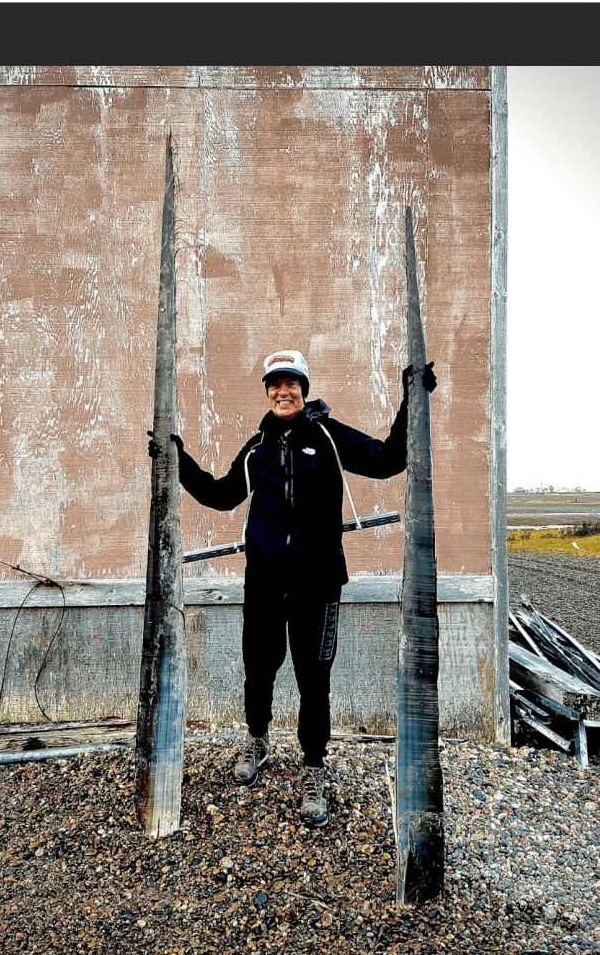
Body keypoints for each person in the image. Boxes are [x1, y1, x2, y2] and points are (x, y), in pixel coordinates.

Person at [162, 349, 435, 827]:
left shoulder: (328, 435)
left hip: (319, 586)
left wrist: (412, 400)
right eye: (275, 384)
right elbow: (222, 495)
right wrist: (178, 459)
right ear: (267, 393)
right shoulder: (258, 448)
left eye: (291, 383)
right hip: (265, 585)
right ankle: (258, 740)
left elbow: (389, 459)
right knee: (259, 670)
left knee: (314, 681)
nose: (282, 391)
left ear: (303, 390)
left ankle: (313, 767)